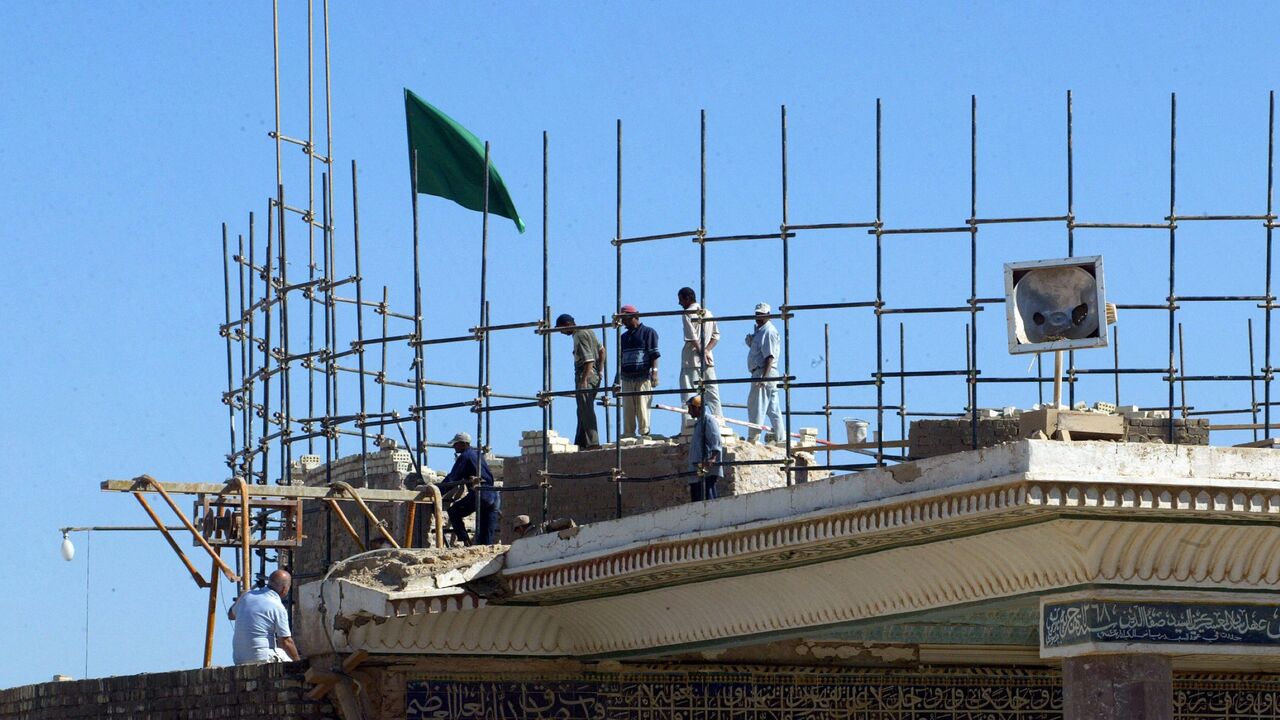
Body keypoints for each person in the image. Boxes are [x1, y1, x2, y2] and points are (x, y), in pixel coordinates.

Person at [438, 431, 499, 545]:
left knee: (454, 512)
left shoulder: (465, 456)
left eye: (455, 444)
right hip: (493, 495)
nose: (454, 447)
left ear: (463, 444)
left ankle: (466, 541)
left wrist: (437, 491)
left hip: (481, 494)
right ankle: (486, 552)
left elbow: (453, 478)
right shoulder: (477, 454)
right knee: (486, 530)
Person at [228, 569, 300, 665]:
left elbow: (231, 615)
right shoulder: (277, 606)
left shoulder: (247, 596)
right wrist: (298, 662)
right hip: (262, 657)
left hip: (239, 659)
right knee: (292, 664)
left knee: (282, 653)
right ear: (284, 589)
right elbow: (286, 642)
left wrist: (240, 599)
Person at [556, 313, 604, 449]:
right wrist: (600, 370)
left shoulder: (579, 335)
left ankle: (593, 443)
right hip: (593, 376)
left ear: (568, 325)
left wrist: (584, 379)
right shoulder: (589, 330)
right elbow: (602, 350)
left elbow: (588, 360)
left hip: (586, 376)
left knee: (586, 409)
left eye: (561, 329)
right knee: (582, 409)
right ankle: (581, 441)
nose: (561, 332)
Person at [677, 287, 721, 422]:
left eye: (681, 300)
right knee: (712, 392)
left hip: (691, 359)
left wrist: (702, 352)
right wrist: (707, 350)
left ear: (687, 298)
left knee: (688, 392)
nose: (680, 303)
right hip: (708, 360)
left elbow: (692, 337)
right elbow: (716, 336)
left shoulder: (688, 313)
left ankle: (688, 423)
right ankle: (719, 420)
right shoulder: (707, 313)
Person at [618, 304, 660, 438]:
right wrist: (616, 381)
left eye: (625, 319)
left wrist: (654, 373)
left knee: (642, 406)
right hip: (627, 377)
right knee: (628, 408)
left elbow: (654, 354)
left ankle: (644, 432)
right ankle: (629, 434)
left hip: (642, 376)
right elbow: (620, 359)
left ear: (634, 317)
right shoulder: (624, 337)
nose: (624, 322)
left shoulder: (648, 332)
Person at [745, 302, 783, 444]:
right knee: (773, 409)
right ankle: (781, 439)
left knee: (757, 406)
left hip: (763, 372)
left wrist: (764, 378)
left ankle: (753, 438)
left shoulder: (768, 331)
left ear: (768, 315)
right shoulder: (761, 331)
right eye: (757, 314)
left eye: (761, 315)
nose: (758, 317)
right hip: (763, 372)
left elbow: (770, 357)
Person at [686, 396, 723, 502]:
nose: (689, 411)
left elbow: (716, 439)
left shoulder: (708, 420)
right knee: (698, 492)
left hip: (705, 465)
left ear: (698, 408)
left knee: (707, 490)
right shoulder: (699, 423)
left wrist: (713, 458)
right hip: (699, 466)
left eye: (690, 408)